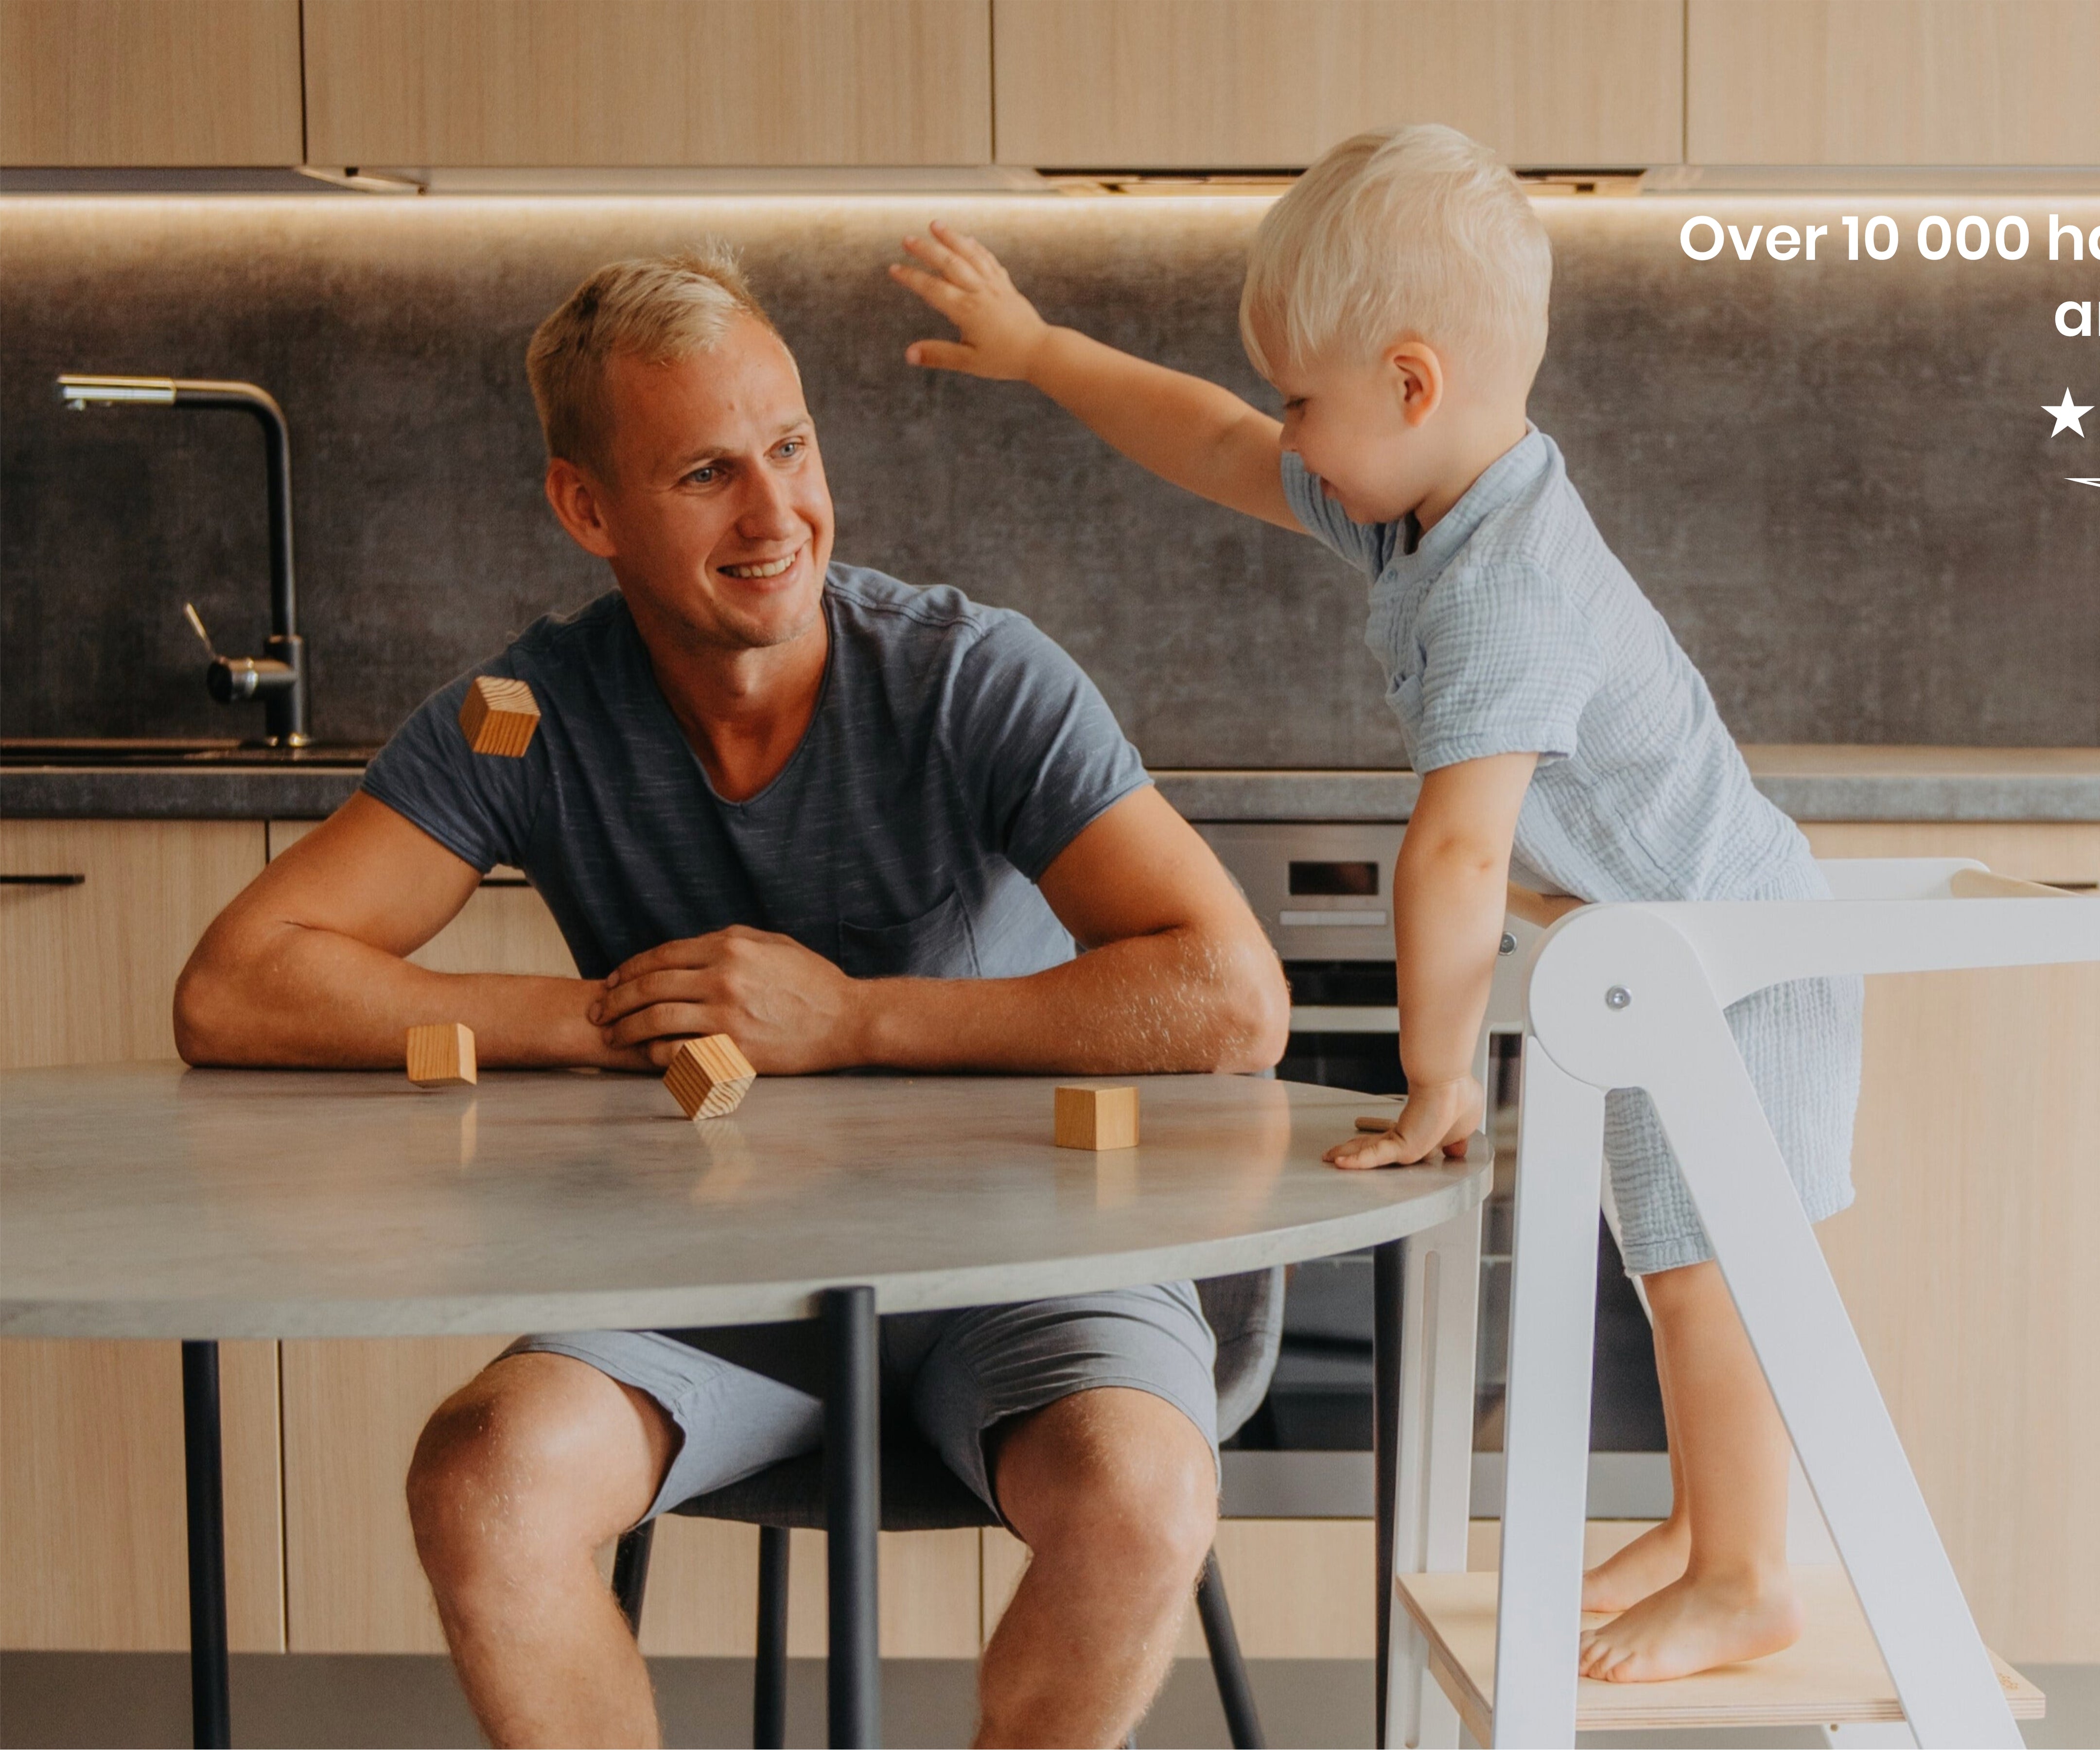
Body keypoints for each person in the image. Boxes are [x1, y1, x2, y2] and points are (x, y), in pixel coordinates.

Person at [173, 246, 1290, 1749]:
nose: (778, 516)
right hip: (708, 1292)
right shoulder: (527, 721)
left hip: (1029, 1271)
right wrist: (599, 1020)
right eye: (708, 472)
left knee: (1146, 1495)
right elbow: (238, 988)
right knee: (481, 1481)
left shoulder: (972, 680)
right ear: (589, 510)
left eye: (792, 447)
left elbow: (1229, 998)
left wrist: (854, 1024)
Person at [888, 123, 1865, 1685]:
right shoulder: (1428, 507)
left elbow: (1458, 852)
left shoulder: (1501, 583)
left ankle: (1747, 1569)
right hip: (1683, 960)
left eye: (1305, 399)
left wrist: (1436, 1084)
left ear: (1413, 386)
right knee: (1677, 1258)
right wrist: (1048, 351)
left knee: (1709, 1269)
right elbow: (1215, 445)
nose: (1287, 433)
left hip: (1742, 965)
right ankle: (1708, 1526)